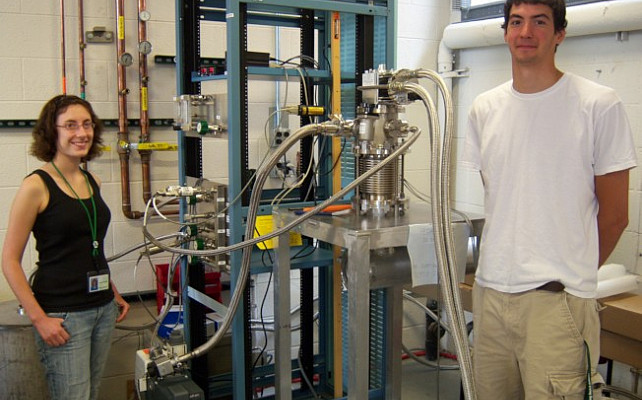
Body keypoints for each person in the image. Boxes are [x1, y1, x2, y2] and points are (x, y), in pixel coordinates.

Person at [462, 0, 637, 398]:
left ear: (559, 33)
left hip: (556, 303)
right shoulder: (484, 109)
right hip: (490, 297)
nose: (526, 33)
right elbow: (501, 194)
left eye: (539, 22)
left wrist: (570, 273)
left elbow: (615, 217)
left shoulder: (597, 104)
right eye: (517, 22)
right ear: (506, 31)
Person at [1, 94, 130, 400]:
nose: (81, 133)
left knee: (90, 393)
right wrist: (39, 318)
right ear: (52, 132)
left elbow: (87, 247)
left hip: (101, 308)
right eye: (70, 125)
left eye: (86, 124)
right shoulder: (36, 186)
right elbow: (9, 260)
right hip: (63, 315)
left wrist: (111, 291)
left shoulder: (92, 180)